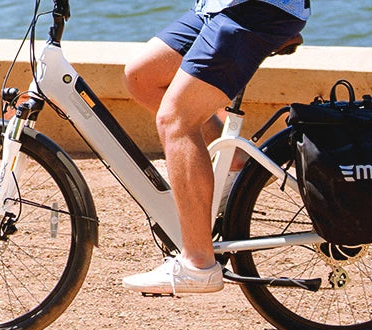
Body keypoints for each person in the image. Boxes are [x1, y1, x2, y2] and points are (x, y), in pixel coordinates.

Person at [120, 0, 308, 294]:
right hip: (216, 6)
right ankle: (235, 166)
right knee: (142, 76)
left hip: (255, 10)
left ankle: (198, 264)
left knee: (176, 121)